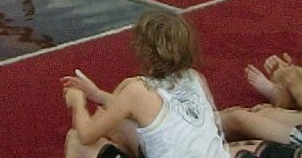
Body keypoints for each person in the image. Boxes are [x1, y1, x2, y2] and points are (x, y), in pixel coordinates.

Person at [62, 9, 244, 158]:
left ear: (143, 50)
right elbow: (147, 112)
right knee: (125, 127)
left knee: (75, 140)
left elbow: (86, 135)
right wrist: (97, 95)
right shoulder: (195, 77)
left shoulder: (137, 90)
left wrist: (78, 102)